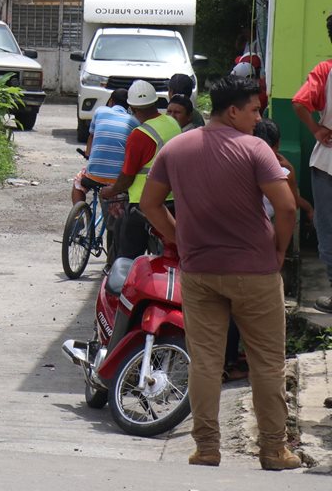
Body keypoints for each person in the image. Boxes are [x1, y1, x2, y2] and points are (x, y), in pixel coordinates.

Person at [139, 75, 300, 471]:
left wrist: (179, 239)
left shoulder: (176, 148)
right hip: (256, 272)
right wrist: (278, 250)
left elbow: (149, 204)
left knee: (206, 362)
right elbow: (287, 207)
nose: (257, 117)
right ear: (233, 111)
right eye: (254, 110)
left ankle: (207, 447)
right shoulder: (256, 150)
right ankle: (274, 450)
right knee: (267, 362)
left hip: (200, 271)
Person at [101, 79, 182, 259]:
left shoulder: (139, 135)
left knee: (126, 256)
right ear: (155, 103)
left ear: (132, 107)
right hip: (174, 200)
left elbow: (127, 177)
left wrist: (111, 190)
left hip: (143, 205)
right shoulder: (172, 123)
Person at [291, 12, 332, 312]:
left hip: (327, 161)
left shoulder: (325, 70)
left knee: (328, 227)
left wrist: (317, 129)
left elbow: (299, 101)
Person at [72, 88, 135, 205]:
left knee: (78, 182)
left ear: (111, 101)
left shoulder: (100, 111)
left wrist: (88, 154)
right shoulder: (133, 121)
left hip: (94, 176)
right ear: (129, 106)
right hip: (118, 180)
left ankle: (77, 217)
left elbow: (91, 136)